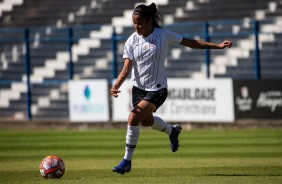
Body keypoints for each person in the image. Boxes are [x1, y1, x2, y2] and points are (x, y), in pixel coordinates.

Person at [110, 3, 233, 175]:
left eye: (139, 23)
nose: (136, 26)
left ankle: (126, 162)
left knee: (133, 117)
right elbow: (126, 69)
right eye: (134, 23)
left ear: (149, 21)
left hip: (158, 89)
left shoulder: (164, 35)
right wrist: (116, 85)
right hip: (138, 89)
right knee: (146, 121)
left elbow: (192, 43)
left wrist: (217, 46)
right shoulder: (131, 41)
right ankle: (172, 130)